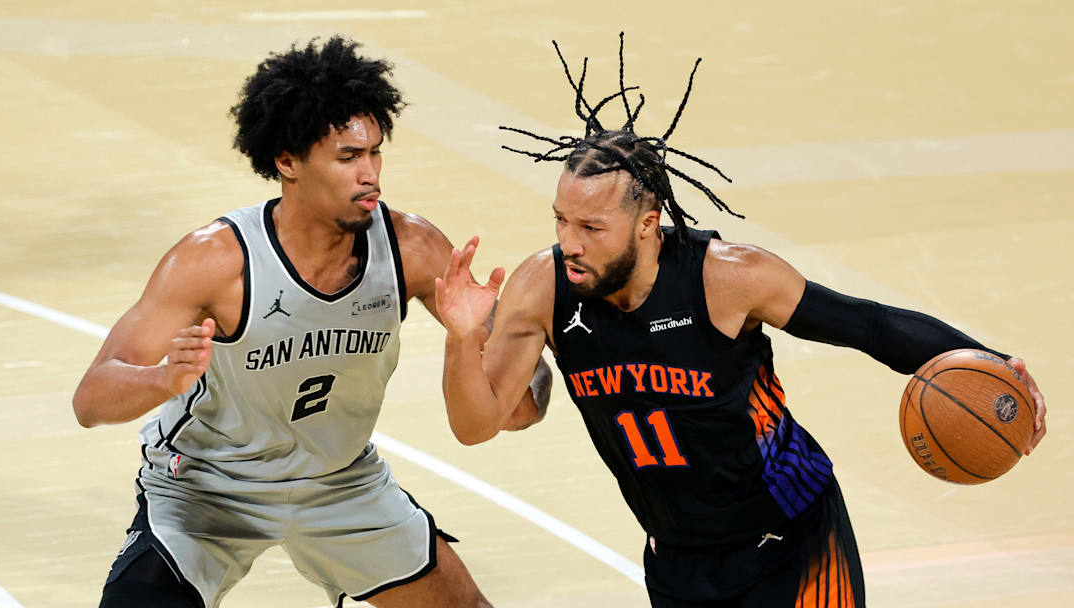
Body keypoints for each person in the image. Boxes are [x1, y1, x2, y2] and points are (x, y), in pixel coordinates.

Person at [434, 34, 1048, 607]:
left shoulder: (728, 278)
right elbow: (476, 424)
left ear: (648, 226)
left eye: (591, 228)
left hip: (794, 541)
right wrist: (464, 339)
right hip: (678, 558)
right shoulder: (542, 288)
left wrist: (994, 367)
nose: (569, 242)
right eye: (560, 221)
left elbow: (869, 325)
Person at [72, 36, 549, 608]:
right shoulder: (215, 261)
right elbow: (90, 400)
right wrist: (162, 382)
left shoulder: (414, 249)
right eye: (348, 157)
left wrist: (475, 344)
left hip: (340, 484)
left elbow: (523, 401)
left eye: (375, 152)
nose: (370, 173)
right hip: (209, 488)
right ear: (288, 161)